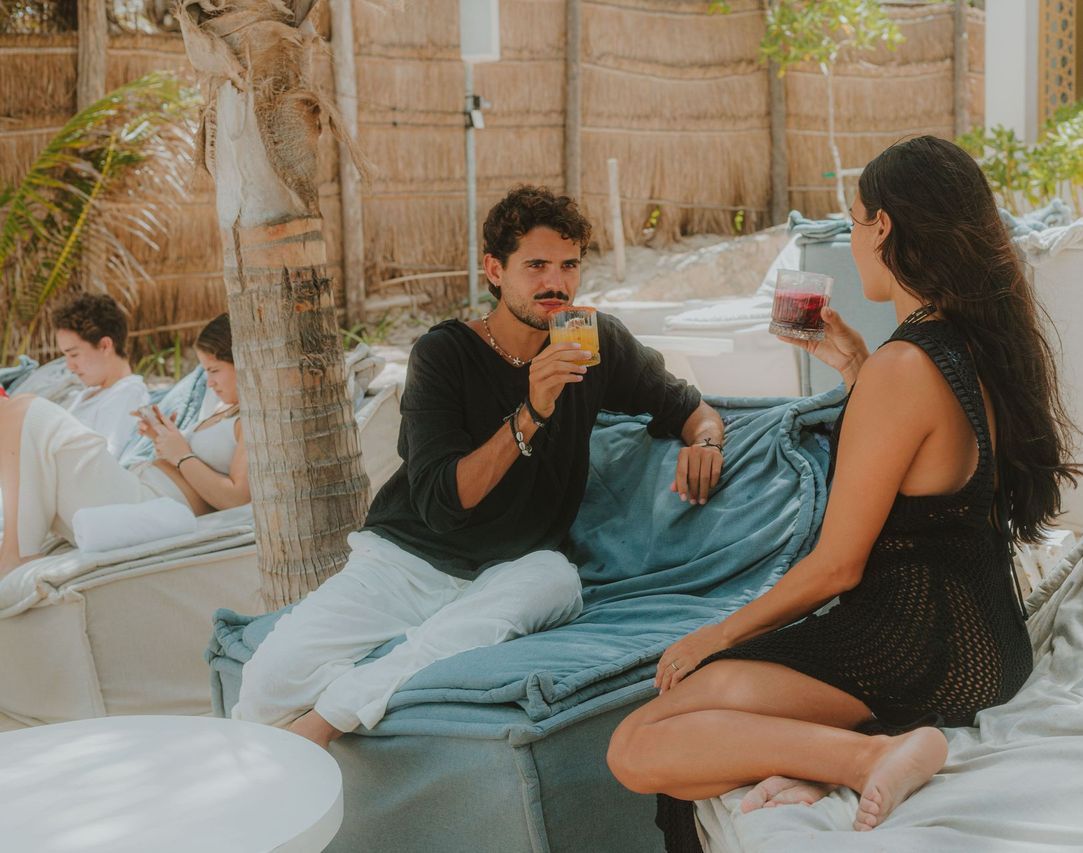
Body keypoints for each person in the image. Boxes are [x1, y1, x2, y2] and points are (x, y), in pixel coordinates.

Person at [606, 135, 1082, 840]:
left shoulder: (906, 367)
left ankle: (873, 753)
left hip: (913, 649)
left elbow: (838, 566)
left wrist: (719, 633)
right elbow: (931, 478)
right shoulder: (978, 348)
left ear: (882, 226)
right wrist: (858, 371)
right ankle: (834, 757)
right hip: (987, 648)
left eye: (855, 219)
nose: (854, 240)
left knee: (637, 744)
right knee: (700, 730)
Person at [233, 185, 726, 749]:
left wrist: (706, 444)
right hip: (409, 559)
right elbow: (444, 503)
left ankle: (329, 717)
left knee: (555, 579)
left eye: (569, 265)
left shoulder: (595, 342)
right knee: (266, 684)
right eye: (535, 265)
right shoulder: (444, 355)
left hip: (514, 569)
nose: (556, 284)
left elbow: (688, 407)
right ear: (495, 269)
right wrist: (533, 410)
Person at [0, 314, 249, 576]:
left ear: (243, 363)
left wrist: (182, 454)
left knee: (27, 408)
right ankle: (13, 551)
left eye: (214, 370)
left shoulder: (253, 420)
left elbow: (236, 498)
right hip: (134, 487)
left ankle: (16, 555)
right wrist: (163, 439)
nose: (209, 383)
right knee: (17, 411)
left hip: (144, 501)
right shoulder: (223, 409)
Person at [53, 293, 152, 459]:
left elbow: (104, 461)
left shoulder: (127, 394)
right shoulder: (90, 393)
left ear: (105, 346)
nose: (69, 366)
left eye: (74, 355)